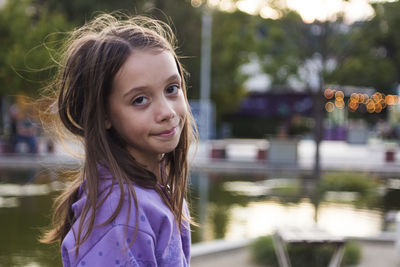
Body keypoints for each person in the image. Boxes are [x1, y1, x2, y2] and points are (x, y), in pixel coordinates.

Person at [40, 13, 197, 267]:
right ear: (104, 115)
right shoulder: (120, 215)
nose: (167, 112)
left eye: (171, 89)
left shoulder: (154, 189)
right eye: (140, 100)